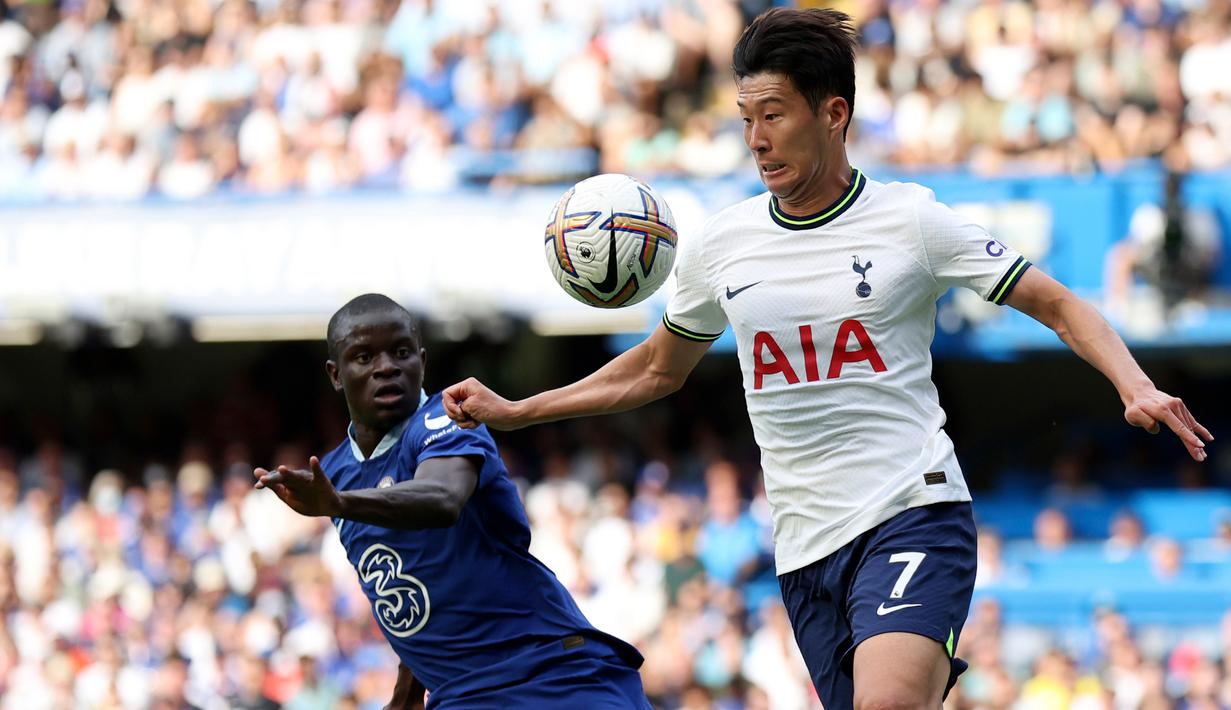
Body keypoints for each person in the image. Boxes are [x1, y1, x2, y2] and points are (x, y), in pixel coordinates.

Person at [441, 8, 1214, 710]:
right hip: (805, 548)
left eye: (773, 115)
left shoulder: (909, 220)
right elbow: (654, 369)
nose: (755, 139)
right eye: (746, 118)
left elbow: (1056, 302)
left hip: (912, 512)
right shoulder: (720, 244)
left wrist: (1133, 383)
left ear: (832, 113)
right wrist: (519, 409)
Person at [253, 293, 651, 710]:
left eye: (401, 352)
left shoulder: (446, 418)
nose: (386, 367)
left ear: (422, 361)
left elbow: (441, 499)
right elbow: (407, 579)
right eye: (365, 357)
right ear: (336, 375)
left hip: (548, 674)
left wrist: (340, 503)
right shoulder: (333, 474)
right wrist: (407, 690)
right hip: (460, 693)